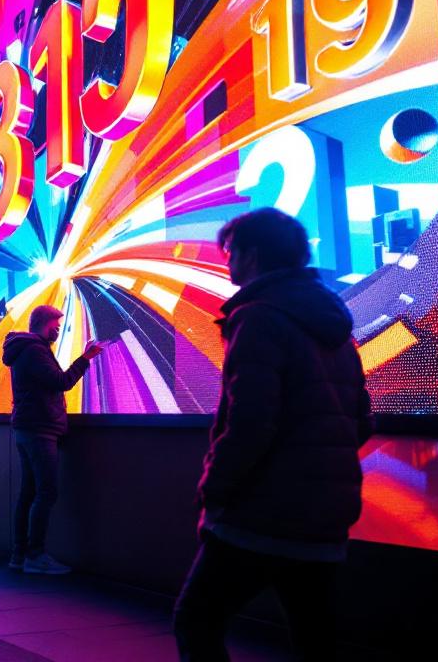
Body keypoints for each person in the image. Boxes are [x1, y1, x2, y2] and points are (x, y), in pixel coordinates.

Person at [173, 208, 374, 660]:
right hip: (326, 512)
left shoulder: (258, 318)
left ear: (253, 256)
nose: (227, 264)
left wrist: (214, 488)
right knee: (314, 634)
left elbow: (250, 423)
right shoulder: (336, 327)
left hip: (261, 512)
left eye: (231, 253)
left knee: (196, 620)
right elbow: (360, 420)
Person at [2, 305, 104, 575]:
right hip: (39, 429)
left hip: (28, 427)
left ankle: (19, 555)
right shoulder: (35, 350)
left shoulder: (24, 349)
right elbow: (61, 381)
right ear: (43, 323)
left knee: (29, 492)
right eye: (55, 324)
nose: (58, 329)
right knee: (46, 492)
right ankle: (35, 556)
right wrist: (86, 358)